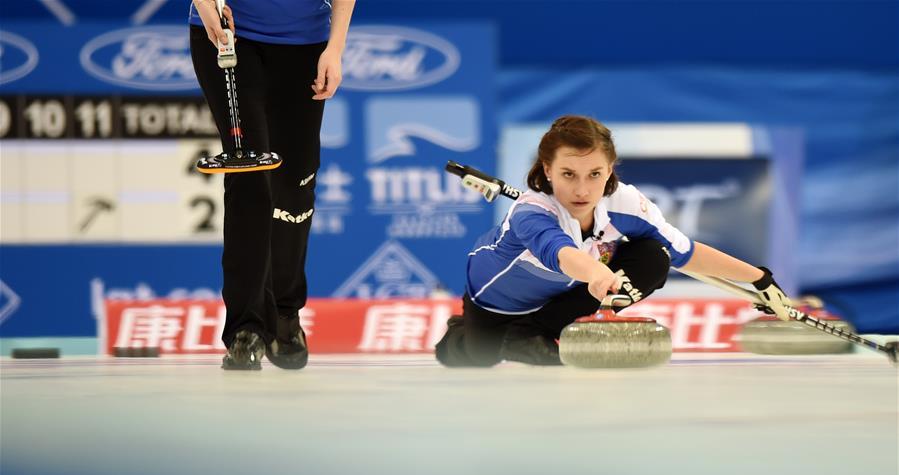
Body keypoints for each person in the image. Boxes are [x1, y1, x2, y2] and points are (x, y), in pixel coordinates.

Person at [435, 115, 792, 367]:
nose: (582, 189)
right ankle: (461, 337)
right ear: (547, 170)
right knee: (478, 357)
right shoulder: (532, 212)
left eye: (595, 174)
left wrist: (759, 279)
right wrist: (596, 274)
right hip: (497, 301)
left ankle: (536, 334)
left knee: (654, 256)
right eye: (568, 174)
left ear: (610, 169)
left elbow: (686, 252)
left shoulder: (626, 203)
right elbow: (561, 254)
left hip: (558, 295)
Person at [189, 0, 356, 370]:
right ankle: (245, 329)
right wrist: (206, 7)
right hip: (230, 36)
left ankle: (284, 309)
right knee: (249, 176)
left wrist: (335, 47)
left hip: (305, 42)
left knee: (296, 185)